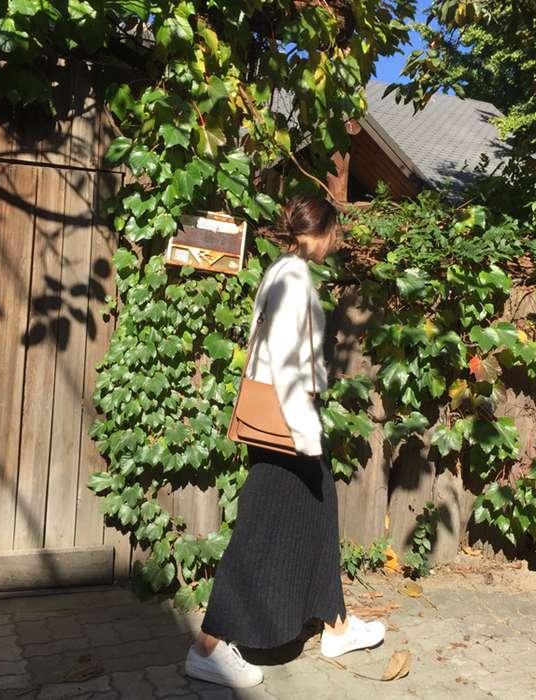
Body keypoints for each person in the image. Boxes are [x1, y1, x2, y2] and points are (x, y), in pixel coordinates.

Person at [184, 194, 386, 688]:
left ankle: (336, 626)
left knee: (319, 512)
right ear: (323, 231)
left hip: (280, 422)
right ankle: (207, 647)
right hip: (288, 425)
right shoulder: (294, 279)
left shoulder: (280, 270)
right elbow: (286, 360)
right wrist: (304, 435)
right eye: (335, 232)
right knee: (259, 528)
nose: (336, 241)